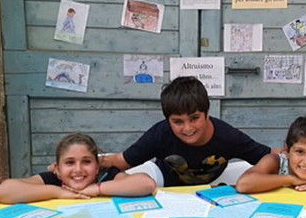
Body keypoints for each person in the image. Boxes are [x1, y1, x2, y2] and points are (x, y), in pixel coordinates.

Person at [100, 76, 272, 187]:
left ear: (207, 113)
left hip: (215, 182)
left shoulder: (228, 136)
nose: (188, 128)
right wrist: (81, 169)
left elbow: (270, 156)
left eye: (194, 118)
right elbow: (119, 161)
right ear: (168, 120)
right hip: (163, 179)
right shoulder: (160, 134)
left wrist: (298, 162)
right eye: (178, 122)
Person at [0, 133, 156, 204]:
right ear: (57, 168)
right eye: (69, 163)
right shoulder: (53, 180)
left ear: (97, 166)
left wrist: (98, 188)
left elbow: (146, 184)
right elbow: (2, 191)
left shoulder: (106, 177)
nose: (78, 169)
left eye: (86, 162)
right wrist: (58, 192)